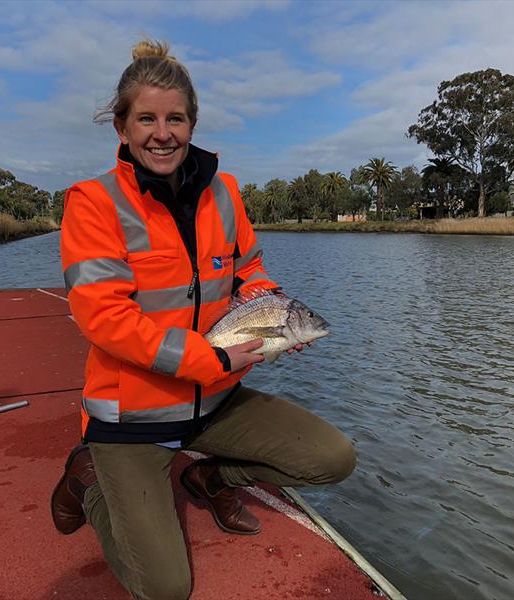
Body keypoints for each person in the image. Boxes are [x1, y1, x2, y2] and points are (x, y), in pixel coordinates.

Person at [53, 40, 356, 600]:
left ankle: (209, 475)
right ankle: (89, 481)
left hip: (215, 402)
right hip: (131, 417)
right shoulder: (92, 202)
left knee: (332, 457)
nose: (162, 133)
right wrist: (208, 358)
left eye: (176, 118)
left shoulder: (225, 191)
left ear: (192, 123)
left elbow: (249, 270)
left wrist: (276, 311)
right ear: (121, 127)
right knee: (166, 589)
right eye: (146, 118)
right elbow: (105, 318)